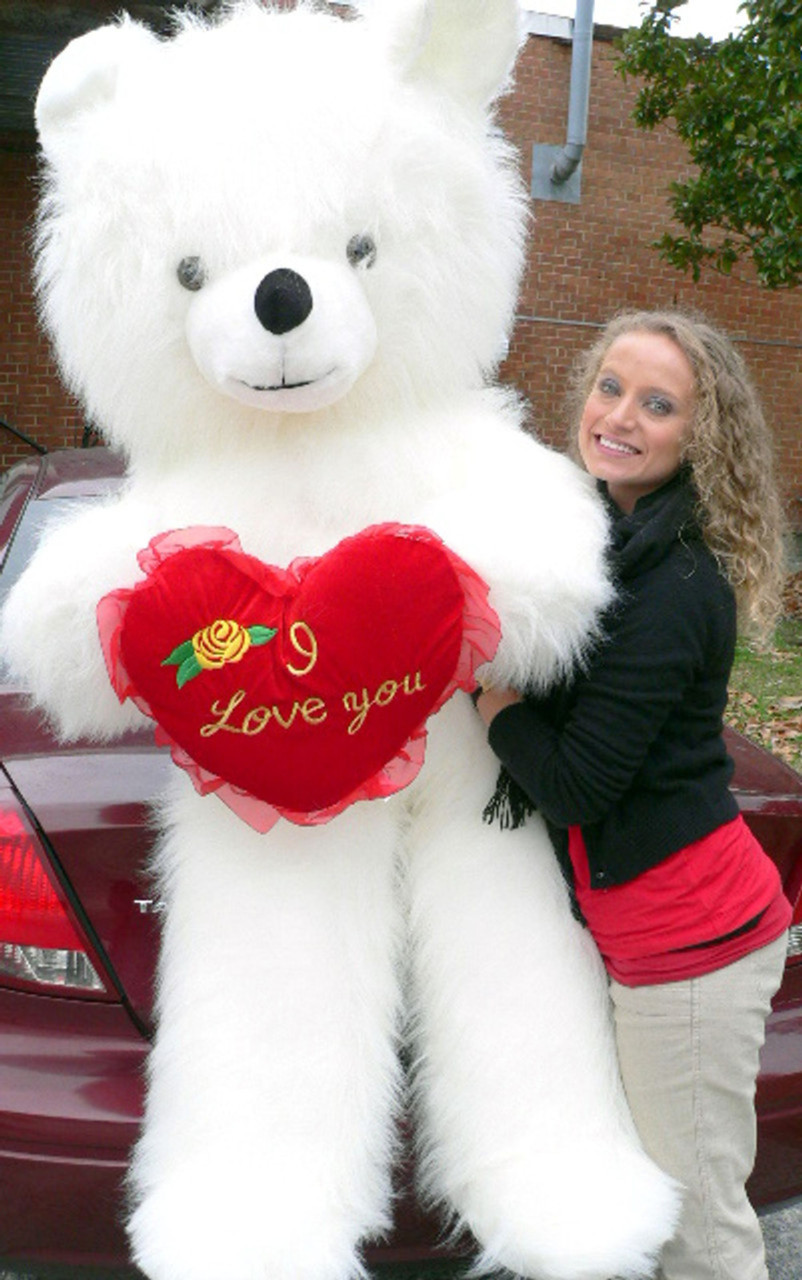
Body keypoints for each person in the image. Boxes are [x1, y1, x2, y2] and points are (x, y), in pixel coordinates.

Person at [474, 309, 792, 1280]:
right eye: (610, 387)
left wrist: (489, 698)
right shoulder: (601, 533)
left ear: (699, 434)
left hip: (690, 946)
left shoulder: (677, 580)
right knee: (654, 1196)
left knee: (699, 1222)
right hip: (649, 930)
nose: (620, 414)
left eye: (658, 404)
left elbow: (577, 782)